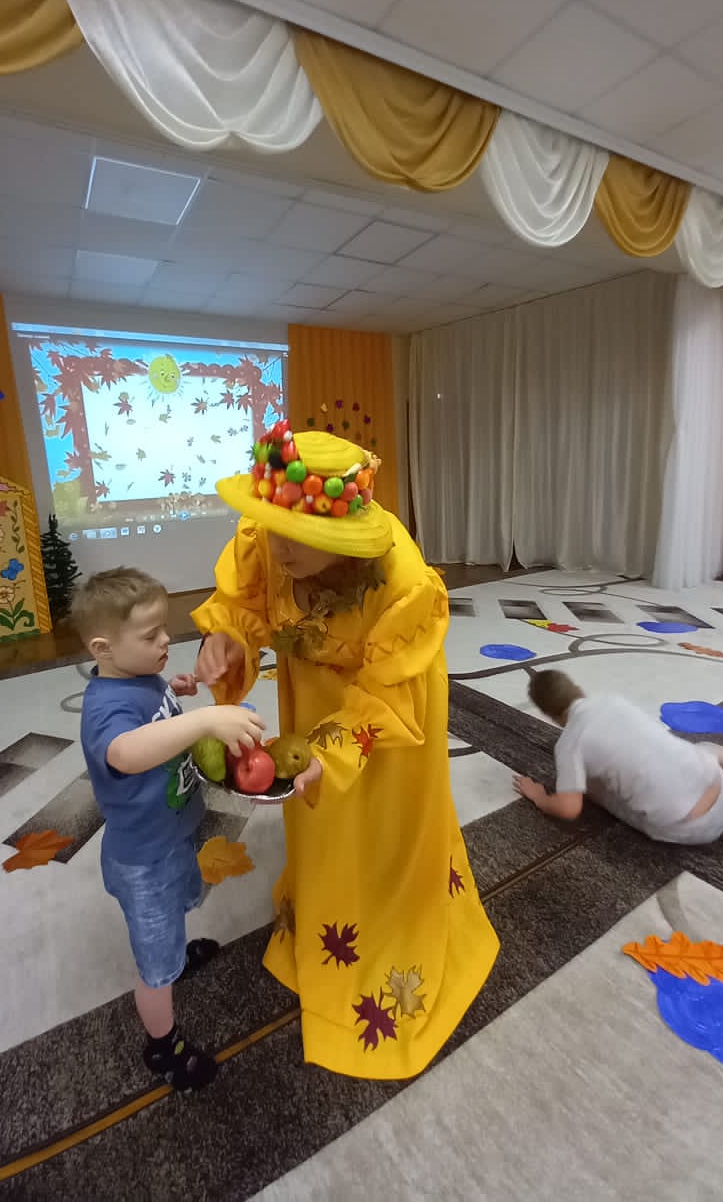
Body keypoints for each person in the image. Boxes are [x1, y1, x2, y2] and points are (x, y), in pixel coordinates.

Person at [193, 423, 499, 1080]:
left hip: (385, 707)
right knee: (322, 819)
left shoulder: (403, 582)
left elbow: (386, 697)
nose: (278, 547)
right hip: (310, 695)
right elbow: (242, 605)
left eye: (298, 536)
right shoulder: (266, 537)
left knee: (384, 824)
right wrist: (227, 642)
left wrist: (326, 752)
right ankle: (323, 911)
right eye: (274, 529)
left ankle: (391, 924)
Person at [72, 567, 265, 1091]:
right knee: (154, 966)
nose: (166, 641)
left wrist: (175, 695)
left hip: (172, 835)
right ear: (102, 649)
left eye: (164, 629)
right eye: (150, 635)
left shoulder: (139, 679)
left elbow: (156, 727)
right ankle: (164, 1047)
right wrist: (199, 721)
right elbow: (125, 752)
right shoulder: (105, 706)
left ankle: (175, 955)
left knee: (179, 905)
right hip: (143, 858)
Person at [514, 669, 723, 844]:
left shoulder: (569, 744)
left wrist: (540, 798)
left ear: (550, 715)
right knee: (693, 751)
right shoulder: (614, 701)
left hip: (692, 828)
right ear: (579, 689)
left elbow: (569, 810)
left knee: (593, 791)